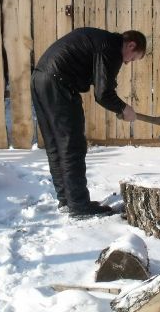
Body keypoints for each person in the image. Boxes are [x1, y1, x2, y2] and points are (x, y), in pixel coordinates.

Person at [31, 28, 147, 218]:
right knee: (72, 146)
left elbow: (106, 82)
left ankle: (67, 201)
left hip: (40, 79)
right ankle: (79, 205)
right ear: (131, 45)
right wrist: (124, 109)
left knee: (56, 145)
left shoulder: (104, 42)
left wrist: (119, 107)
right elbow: (103, 94)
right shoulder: (111, 48)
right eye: (132, 58)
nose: (127, 62)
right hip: (59, 84)